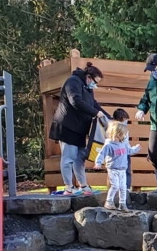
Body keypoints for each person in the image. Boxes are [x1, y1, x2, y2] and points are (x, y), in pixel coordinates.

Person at [49, 62, 106, 196]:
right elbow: (75, 101)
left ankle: (84, 185)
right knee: (69, 157)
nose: (94, 85)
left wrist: (108, 118)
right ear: (88, 77)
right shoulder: (72, 82)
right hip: (67, 126)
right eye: (95, 81)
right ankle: (68, 187)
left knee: (80, 158)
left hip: (79, 128)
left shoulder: (87, 87)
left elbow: (94, 104)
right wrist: (95, 113)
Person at [136, 53, 157, 191]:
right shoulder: (152, 80)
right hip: (156, 124)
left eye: (154, 69)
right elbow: (146, 99)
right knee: (153, 156)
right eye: (150, 70)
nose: (152, 72)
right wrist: (141, 109)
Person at [93, 121, 141, 210]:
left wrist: (136, 149)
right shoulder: (109, 145)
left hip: (122, 169)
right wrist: (98, 163)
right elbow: (101, 154)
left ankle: (122, 204)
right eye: (124, 134)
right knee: (115, 186)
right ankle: (109, 202)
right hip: (113, 169)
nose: (125, 136)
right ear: (117, 134)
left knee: (123, 187)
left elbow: (129, 151)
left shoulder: (123, 144)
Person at [111, 108, 134, 192]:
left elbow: (126, 142)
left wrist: (131, 150)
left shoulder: (125, 129)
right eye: (125, 119)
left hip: (125, 152)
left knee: (127, 170)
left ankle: (127, 187)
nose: (126, 121)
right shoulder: (113, 129)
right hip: (118, 153)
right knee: (116, 171)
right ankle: (118, 187)